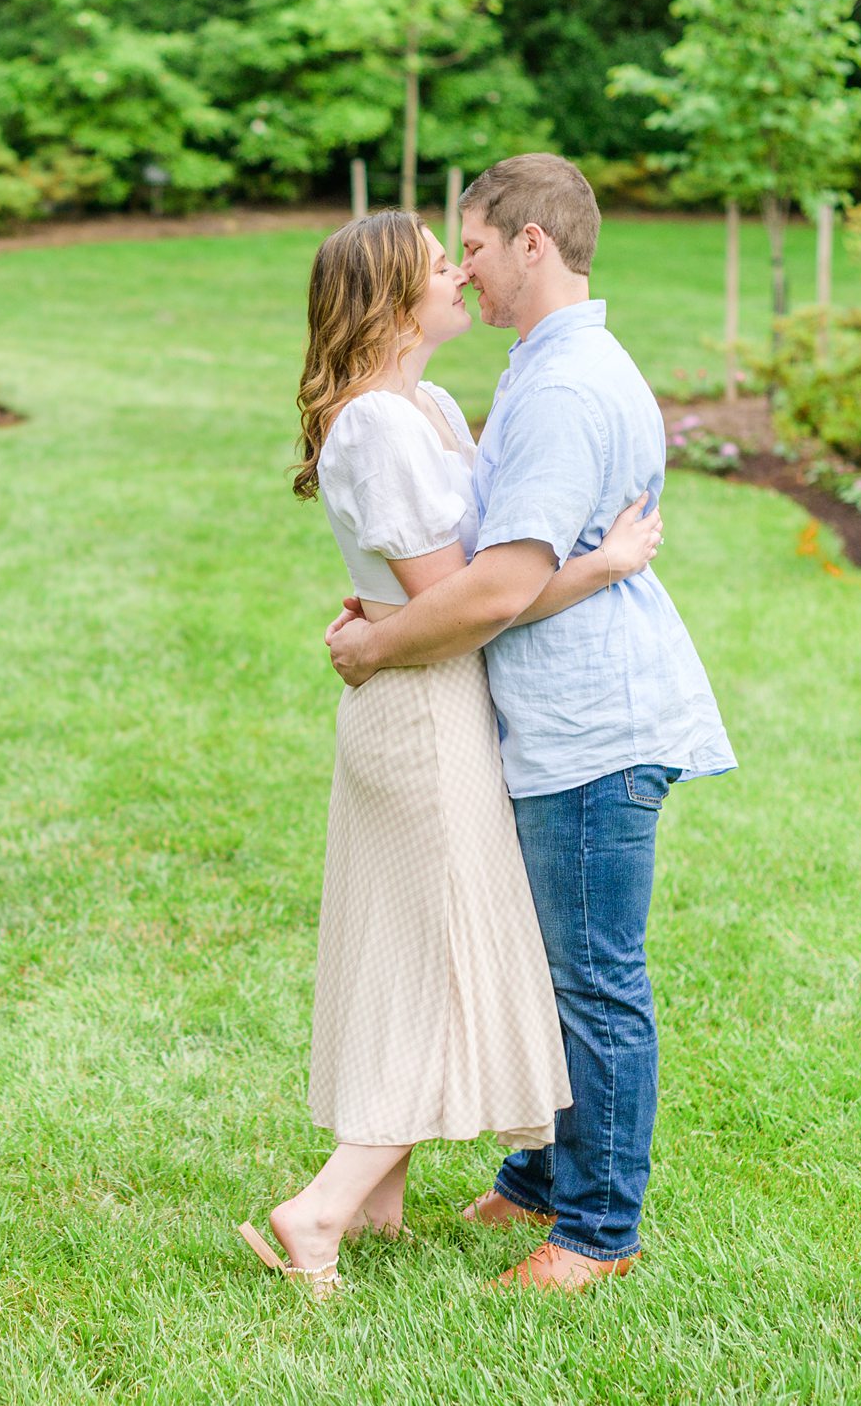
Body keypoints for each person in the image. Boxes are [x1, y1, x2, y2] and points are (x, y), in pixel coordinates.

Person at [323, 154, 737, 1294]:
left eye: (475, 245)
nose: (465, 268)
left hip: (590, 723)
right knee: (552, 966)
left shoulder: (557, 387)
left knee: (594, 977)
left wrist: (374, 643)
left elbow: (501, 586)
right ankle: (545, 1175)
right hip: (547, 714)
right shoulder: (543, 367)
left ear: (532, 244)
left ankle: (597, 1231)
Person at [236, 207, 666, 1301]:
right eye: (440, 264)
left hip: (438, 699)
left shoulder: (422, 404)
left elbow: (462, 574)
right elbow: (467, 600)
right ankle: (321, 1207)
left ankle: (377, 1200)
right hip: (424, 713)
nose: (459, 275)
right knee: (447, 971)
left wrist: (384, 623)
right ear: (392, 299)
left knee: (421, 954)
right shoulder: (378, 425)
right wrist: (603, 564)